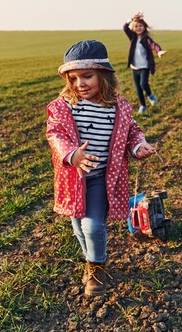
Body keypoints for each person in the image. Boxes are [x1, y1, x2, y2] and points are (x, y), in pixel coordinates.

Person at [46, 40, 157, 296]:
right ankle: (90, 258)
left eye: (87, 76)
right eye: (73, 78)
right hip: (73, 178)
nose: (80, 84)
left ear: (104, 76)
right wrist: (72, 155)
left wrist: (137, 145)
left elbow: (131, 131)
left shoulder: (118, 107)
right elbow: (55, 134)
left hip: (100, 178)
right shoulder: (64, 106)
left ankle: (96, 266)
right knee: (78, 224)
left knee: (93, 225)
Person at [123, 12, 167, 114]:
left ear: (144, 27)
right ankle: (143, 105)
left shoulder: (146, 39)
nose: (138, 28)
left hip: (145, 67)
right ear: (133, 28)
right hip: (135, 67)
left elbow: (153, 45)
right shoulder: (132, 37)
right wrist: (131, 18)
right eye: (136, 26)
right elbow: (125, 27)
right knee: (138, 88)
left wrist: (159, 51)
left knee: (143, 84)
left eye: (140, 26)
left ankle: (150, 95)